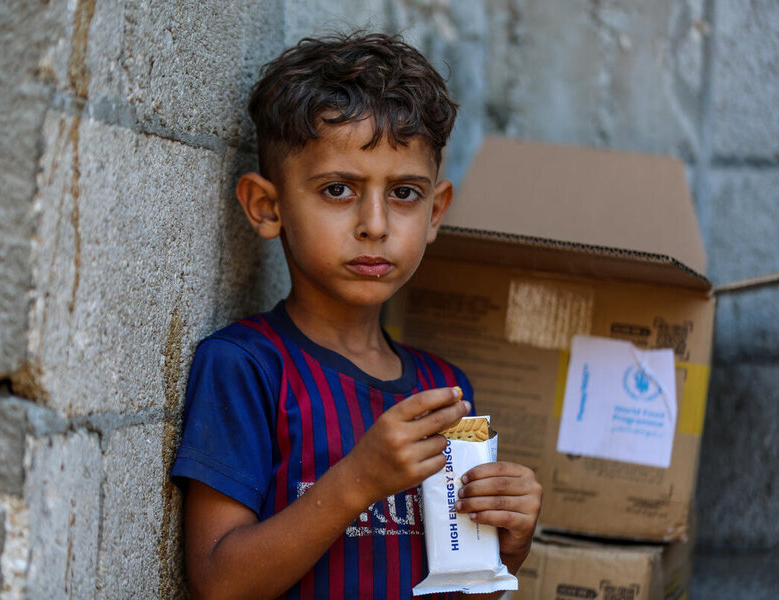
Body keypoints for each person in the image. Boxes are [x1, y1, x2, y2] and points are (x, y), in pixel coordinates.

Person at [170, 31, 542, 600]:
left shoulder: (445, 390)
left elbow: (462, 589)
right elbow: (221, 584)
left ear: (436, 211)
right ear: (267, 207)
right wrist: (358, 481)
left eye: (405, 194)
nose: (376, 224)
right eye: (338, 189)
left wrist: (506, 545)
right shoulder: (247, 368)